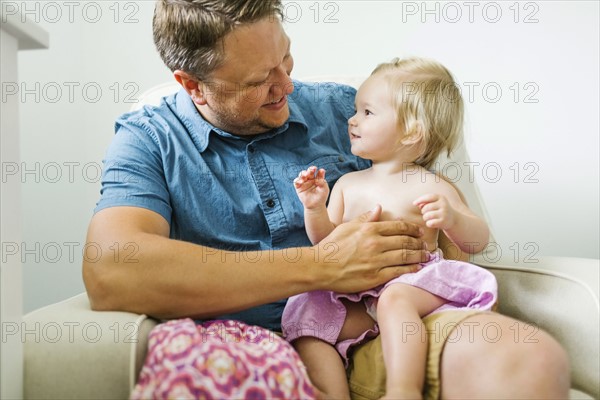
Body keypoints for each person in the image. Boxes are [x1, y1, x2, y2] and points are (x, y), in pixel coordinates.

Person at [82, 0, 570, 398]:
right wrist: (324, 264)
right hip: (250, 347)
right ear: (192, 84)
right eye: (259, 81)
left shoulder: (346, 109)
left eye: (286, 59)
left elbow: (456, 241)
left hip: (387, 325)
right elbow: (112, 268)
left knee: (530, 358)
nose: (287, 86)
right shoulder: (150, 140)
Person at [282, 57, 498, 400]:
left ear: (412, 130)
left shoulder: (432, 185)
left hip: (413, 286)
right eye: (356, 110)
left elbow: (477, 242)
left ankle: (403, 390)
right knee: (307, 318)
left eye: (367, 112)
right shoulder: (348, 184)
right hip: (356, 295)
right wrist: (315, 208)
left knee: (394, 299)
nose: (352, 120)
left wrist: (454, 220)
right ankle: (331, 391)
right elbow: (326, 243)